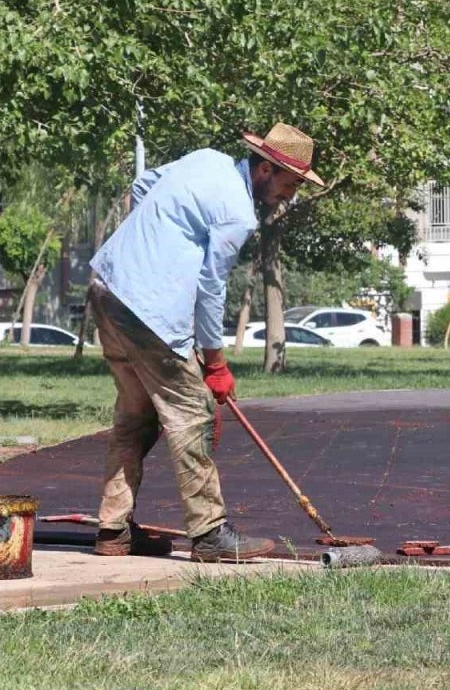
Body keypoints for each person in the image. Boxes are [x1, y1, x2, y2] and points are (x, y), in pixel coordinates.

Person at [88, 123, 324, 561]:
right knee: (193, 413)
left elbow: (143, 185)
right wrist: (215, 364)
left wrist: (154, 245)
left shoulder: (205, 159)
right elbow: (212, 288)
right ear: (265, 170)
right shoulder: (238, 214)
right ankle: (210, 534)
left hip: (108, 287)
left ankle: (112, 530)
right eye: (290, 184)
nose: (290, 195)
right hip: (146, 307)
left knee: (136, 416)